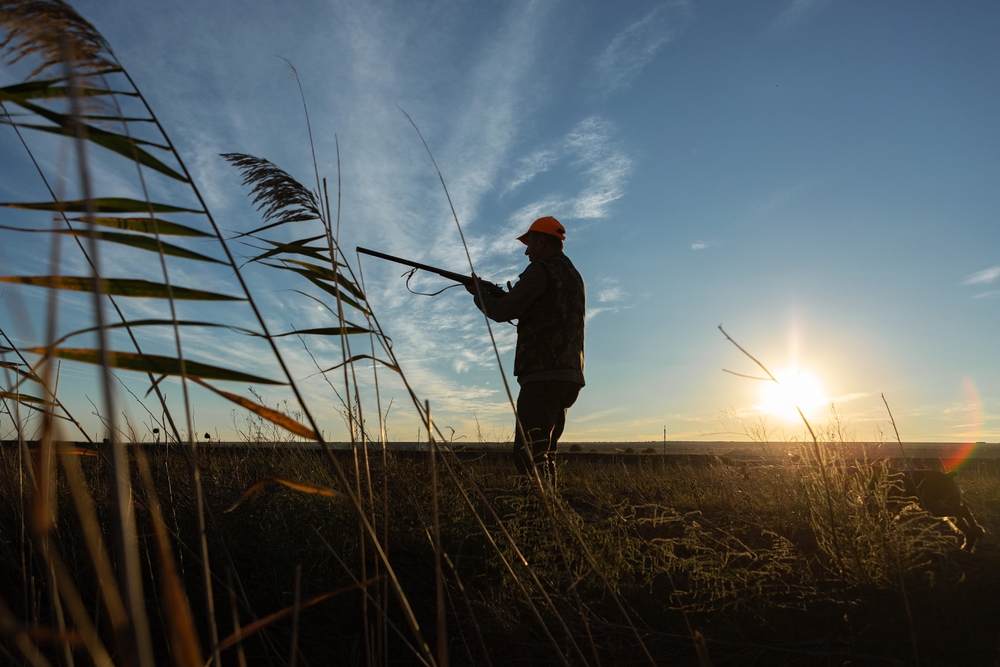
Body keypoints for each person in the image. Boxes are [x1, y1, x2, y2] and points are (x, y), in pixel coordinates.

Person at [466, 215, 585, 486]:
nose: (526, 251)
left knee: (528, 454)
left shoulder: (540, 270)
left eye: (529, 244)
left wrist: (478, 293)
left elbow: (501, 311)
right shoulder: (573, 275)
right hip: (569, 376)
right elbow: (547, 312)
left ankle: (537, 515)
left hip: (542, 375)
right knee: (545, 453)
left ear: (542, 241)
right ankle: (551, 513)